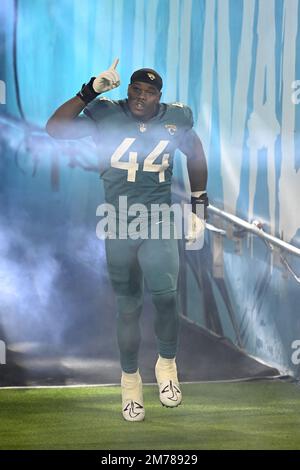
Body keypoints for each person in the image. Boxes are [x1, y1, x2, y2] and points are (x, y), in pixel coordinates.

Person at [46, 59, 208, 422]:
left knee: (166, 296)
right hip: (118, 221)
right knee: (128, 305)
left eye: (149, 92)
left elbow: (195, 152)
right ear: (128, 90)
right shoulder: (106, 112)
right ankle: (130, 380)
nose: (140, 96)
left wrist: (200, 206)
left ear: (159, 97)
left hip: (159, 220)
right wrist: (89, 91)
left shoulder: (176, 118)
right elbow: (55, 129)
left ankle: (166, 365)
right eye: (135, 89)